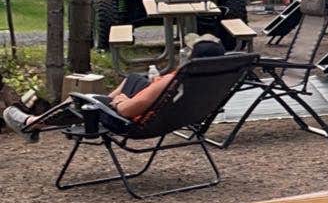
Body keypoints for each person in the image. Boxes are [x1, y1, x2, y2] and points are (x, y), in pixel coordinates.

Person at [3, 35, 225, 140]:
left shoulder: (176, 79)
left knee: (82, 101)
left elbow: (129, 110)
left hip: (135, 122)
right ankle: (102, 103)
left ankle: (31, 123)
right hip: (173, 118)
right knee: (134, 78)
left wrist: (118, 103)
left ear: (192, 58)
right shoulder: (212, 78)